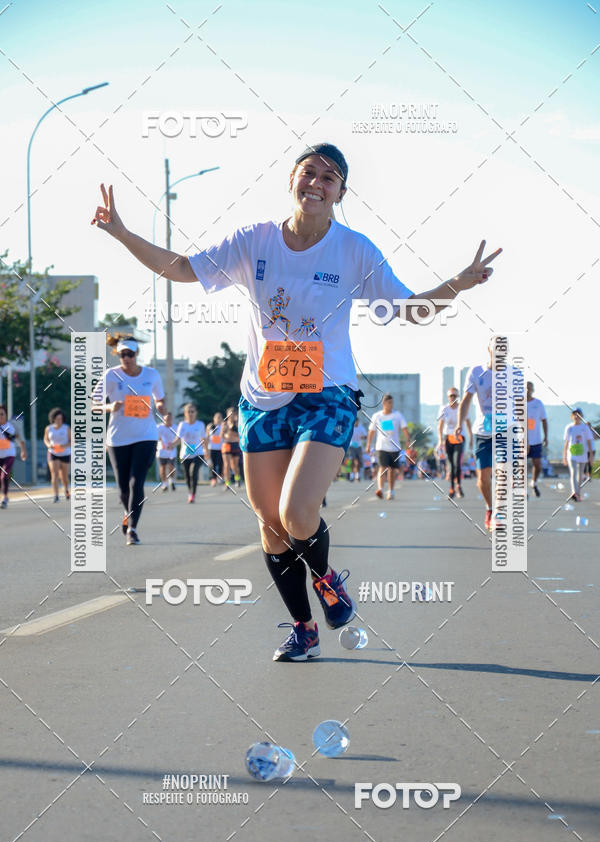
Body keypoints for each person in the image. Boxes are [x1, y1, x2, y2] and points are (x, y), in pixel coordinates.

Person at [92, 142, 500, 660]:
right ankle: (303, 628)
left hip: (327, 394)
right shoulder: (254, 240)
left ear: (340, 193)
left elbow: (407, 309)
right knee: (270, 523)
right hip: (261, 400)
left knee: (297, 512)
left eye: (330, 178)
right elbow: (181, 268)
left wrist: (457, 286)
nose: (317, 183)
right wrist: (121, 232)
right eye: (310, 172)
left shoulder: (354, 250)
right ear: (291, 179)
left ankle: (328, 580)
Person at [95, 335, 166, 545]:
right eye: (122, 354)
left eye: (130, 354)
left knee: (137, 482)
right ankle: (128, 512)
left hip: (146, 436)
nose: (126, 358)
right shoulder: (111, 375)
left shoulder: (151, 374)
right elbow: (93, 404)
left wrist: (163, 409)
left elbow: (160, 399)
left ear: (137, 354)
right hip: (118, 438)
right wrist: (109, 407)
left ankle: (132, 529)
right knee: (123, 487)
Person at [457, 344, 495, 530]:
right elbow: (466, 400)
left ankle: (501, 511)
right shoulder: (476, 372)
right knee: (484, 477)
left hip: (506, 430)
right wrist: (459, 423)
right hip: (483, 431)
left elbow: (519, 404)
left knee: (505, 475)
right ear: (489, 349)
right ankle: (490, 508)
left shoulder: (513, 374)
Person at [366, 394, 412, 500]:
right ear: (384, 403)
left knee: (392, 470)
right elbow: (371, 431)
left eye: (392, 402)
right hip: (381, 446)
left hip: (394, 447)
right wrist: (368, 444)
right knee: (382, 467)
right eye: (389, 402)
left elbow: (404, 428)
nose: (391, 405)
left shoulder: (397, 415)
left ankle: (391, 491)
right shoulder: (377, 416)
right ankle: (380, 489)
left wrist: (408, 440)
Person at [437, 386, 472, 499]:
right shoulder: (444, 409)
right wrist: (440, 440)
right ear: (448, 397)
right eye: (451, 396)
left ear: (458, 397)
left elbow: (468, 424)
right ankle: (452, 487)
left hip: (460, 438)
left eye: (455, 395)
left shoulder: (462, 408)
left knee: (457, 464)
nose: (453, 397)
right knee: (451, 464)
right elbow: (440, 427)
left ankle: (459, 486)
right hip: (448, 438)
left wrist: (471, 437)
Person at [176, 403, 206, 503]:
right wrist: (171, 444)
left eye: (192, 411)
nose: (190, 413)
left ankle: (193, 494)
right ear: (185, 413)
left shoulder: (200, 424)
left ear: (196, 413)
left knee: (193, 472)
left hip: (198, 453)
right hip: (185, 454)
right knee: (188, 476)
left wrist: (207, 452)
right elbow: (178, 438)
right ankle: (190, 492)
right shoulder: (182, 425)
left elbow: (203, 439)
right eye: (188, 411)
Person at [562, 409, 594, 502]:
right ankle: (574, 492)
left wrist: (591, 455)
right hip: (571, 454)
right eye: (575, 414)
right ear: (572, 416)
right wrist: (564, 456)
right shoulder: (569, 427)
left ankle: (578, 493)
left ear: (581, 416)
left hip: (582, 453)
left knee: (580, 475)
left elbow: (589, 442)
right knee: (573, 472)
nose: (576, 416)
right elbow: (566, 442)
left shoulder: (585, 428)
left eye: (578, 414)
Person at [0, 405, 26, 508]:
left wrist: (23, 451)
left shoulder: (11, 426)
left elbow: (20, 439)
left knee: (4, 475)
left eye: (2, 414)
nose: (0, 416)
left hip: (9, 455)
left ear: (6, 415)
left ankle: (5, 497)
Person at [43, 407, 71, 502]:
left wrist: (64, 446)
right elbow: (45, 439)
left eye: (61, 419)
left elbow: (72, 441)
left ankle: (66, 489)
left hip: (65, 453)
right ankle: (56, 495)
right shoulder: (49, 428)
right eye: (57, 419)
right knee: (54, 474)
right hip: (53, 453)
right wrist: (49, 445)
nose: (59, 420)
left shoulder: (66, 428)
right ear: (53, 419)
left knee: (64, 476)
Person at [526, 381, 548, 498]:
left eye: (530, 388)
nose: (527, 390)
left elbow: (544, 420)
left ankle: (533, 483)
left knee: (538, 465)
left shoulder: (538, 403)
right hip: (521, 441)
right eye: (525, 388)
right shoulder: (517, 403)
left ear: (533, 389)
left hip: (536, 440)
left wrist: (546, 436)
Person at [221, 407, 242, 489]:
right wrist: (226, 433)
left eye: (233, 414)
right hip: (226, 445)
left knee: (235, 465)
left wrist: (231, 434)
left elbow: (239, 435)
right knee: (226, 464)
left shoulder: (237, 424)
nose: (231, 416)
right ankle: (227, 483)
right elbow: (222, 436)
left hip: (235, 444)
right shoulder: (225, 424)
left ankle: (237, 479)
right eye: (230, 414)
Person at [157, 411, 177, 491]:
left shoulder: (175, 427)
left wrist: (173, 444)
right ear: (163, 418)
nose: (167, 420)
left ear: (171, 419)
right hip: (162, 451)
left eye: (169, 418)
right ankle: (164, 483)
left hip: (172, 451)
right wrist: (162, 441)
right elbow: (157, 437)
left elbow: (178, 438)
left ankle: (171, 481)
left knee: (171, 467)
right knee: (163, 467)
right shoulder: (159, 427)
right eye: (166, 418)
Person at [206, 411, 224, 486]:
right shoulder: (210, 426)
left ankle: (219, 476)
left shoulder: (223, 426)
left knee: (220, 463)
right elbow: (206, 437)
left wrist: (222, 427)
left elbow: (223, 435)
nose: (218, 419)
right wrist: (206, 449)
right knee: (212, 464)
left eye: (220, 417)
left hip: (221, 448)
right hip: (211, 448)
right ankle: (213, 478)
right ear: (214, 418)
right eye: (217, 417)